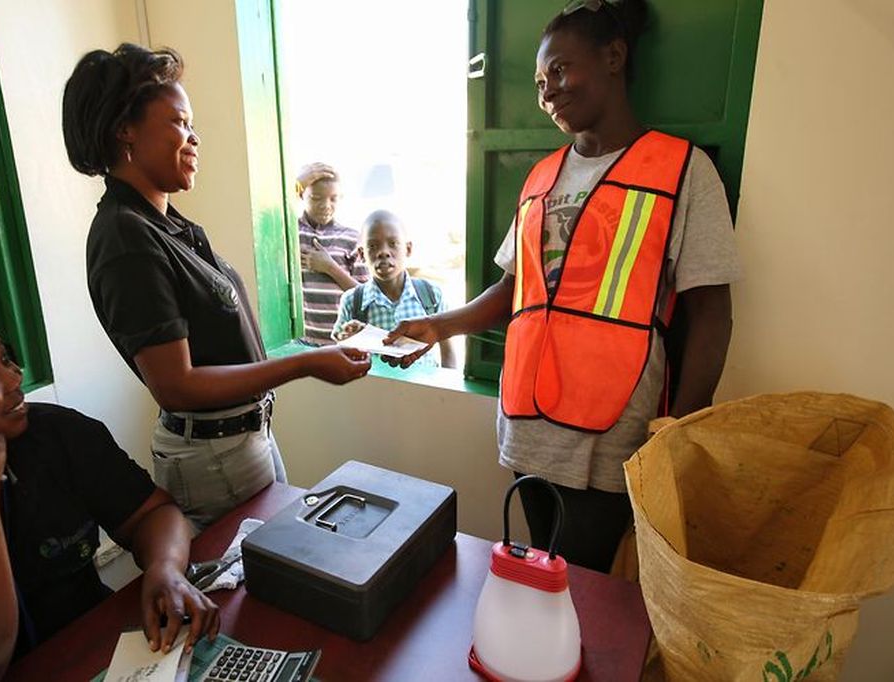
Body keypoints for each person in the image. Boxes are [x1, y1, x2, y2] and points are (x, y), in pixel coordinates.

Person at [386, 0, 741, 572]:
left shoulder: (681, 170)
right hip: (526, 424)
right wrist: (440, 325)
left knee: (590, 592)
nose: (547, 91)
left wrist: (680, 430)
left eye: (559, 70)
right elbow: (513, 291)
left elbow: (712, 313)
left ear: (614, 58)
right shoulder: (541, 176)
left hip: (613, 433)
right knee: (540, 576)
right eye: (538, 81)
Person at [62, 45, 370, 529]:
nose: (194, 138)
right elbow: (176, 385)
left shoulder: (166, 225)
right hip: (213, 456)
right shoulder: (126, 236)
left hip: (243, 438)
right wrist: (306, 363)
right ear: (126, 131)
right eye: (180, 123)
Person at [0, 301, 218, 682]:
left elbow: (152, 514)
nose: (15, 377)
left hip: (94, 654)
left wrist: (165, 567)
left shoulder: (58, 433)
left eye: (5, 358)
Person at [333, 210, 456, 369]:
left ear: (408, 249)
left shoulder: (431, 295)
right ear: (362, 254)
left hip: (424, 392)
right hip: (374, 390)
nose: (383, 252)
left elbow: (448, 352)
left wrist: (446, 391)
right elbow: (340, 346)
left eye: (393, 243)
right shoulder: (353, 301)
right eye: (373, 246)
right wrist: (348, 337)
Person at [295, 162, 368, 346]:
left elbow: (366, 297)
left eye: (333, 198)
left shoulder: (351, 238)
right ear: (301, 195)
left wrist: (329, 267)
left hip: (341, 344)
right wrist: (297, 182)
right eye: (316, 198)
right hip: (301, 345)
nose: (325, 205)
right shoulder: (290, 232)